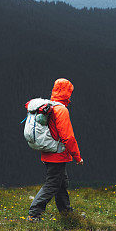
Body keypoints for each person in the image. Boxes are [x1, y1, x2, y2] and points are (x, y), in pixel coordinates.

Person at [28, 78, 83, 221]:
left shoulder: (50, 107)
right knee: (53, 183)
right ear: (67, 93)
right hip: (57, 155)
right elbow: (68, 137)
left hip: (48, 152)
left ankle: (66, 213)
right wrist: (77, 157)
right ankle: (34, 213)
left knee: (61, 183)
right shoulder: (61, 110)